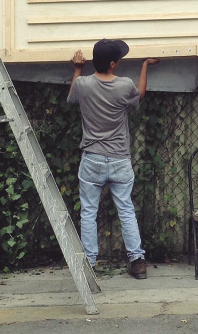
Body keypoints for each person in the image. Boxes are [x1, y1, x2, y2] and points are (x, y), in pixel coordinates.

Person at [67, 39, 159, 279]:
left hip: (92, 159)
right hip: (119, 158)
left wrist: (77, 67)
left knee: (88, 212)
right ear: (113, 64)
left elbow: (71, 97)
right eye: (118, 59)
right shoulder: (124, 85)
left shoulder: (84, 84)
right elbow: (140, 96)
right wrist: (145, 65)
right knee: (126, 210)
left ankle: (89, 264)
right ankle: (137, 261)